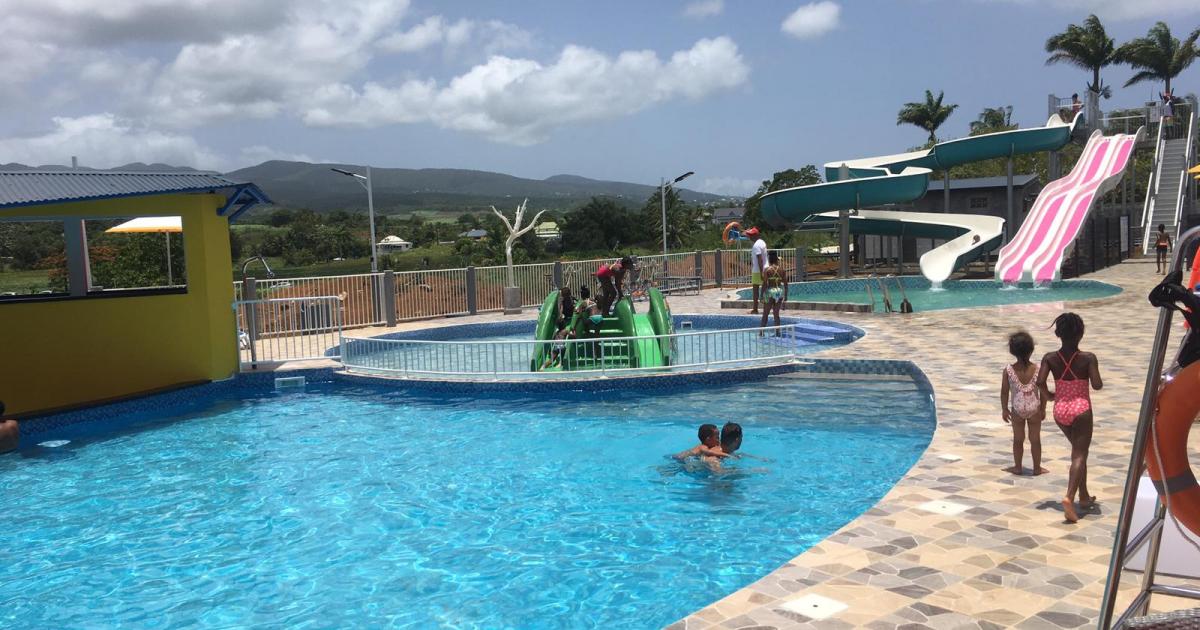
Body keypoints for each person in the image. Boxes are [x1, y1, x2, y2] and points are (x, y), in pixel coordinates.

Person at [1037, 313, 1103, 523]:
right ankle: (1069, 497)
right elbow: (1097, 384)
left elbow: (1040, 382)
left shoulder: (1049, 357)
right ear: (1081, 333)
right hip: (1081, 408)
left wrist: (1048, 397)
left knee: (1078, 452)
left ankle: (1083, 496)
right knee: (1079, 455)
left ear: (1057, 334)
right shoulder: (1088, 358)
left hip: (1060, 409)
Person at [1000, 332, 1048, 476]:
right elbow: (1043, 390)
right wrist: (1043, 408)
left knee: (1018, 439)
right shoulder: (1038, 369)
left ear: (1012, 351)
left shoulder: (1009, 370)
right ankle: (1037, 468)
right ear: (1032, 349)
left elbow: (1004, 392)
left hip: (1017, 409)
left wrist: (1004, 409)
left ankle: (1018, 467)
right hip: (1035, 408)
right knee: (1035, 440)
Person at [759, 251, 788, 335]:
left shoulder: (767, 270)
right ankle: (777, 332)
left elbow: (764, 284)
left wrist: (761, 295)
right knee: (776, 314)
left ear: (769, 259)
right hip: (779, 292)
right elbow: (785, 283)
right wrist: (785, 296)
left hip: (770, 292)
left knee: (765, 314)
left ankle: (761, 332)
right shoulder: (781, 270)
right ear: (776, 259)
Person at [747, 228, 767, 314]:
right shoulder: (762, 242)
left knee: (755, 290)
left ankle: (755, 309)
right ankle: (765, 305)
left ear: (756, 235)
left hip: (758, 270)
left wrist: (761, 272)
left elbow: (760, 259)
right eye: (749, 235)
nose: (750, 237)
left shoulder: (756, 246)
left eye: (751, 235)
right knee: (765, 288)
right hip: (766, 268)